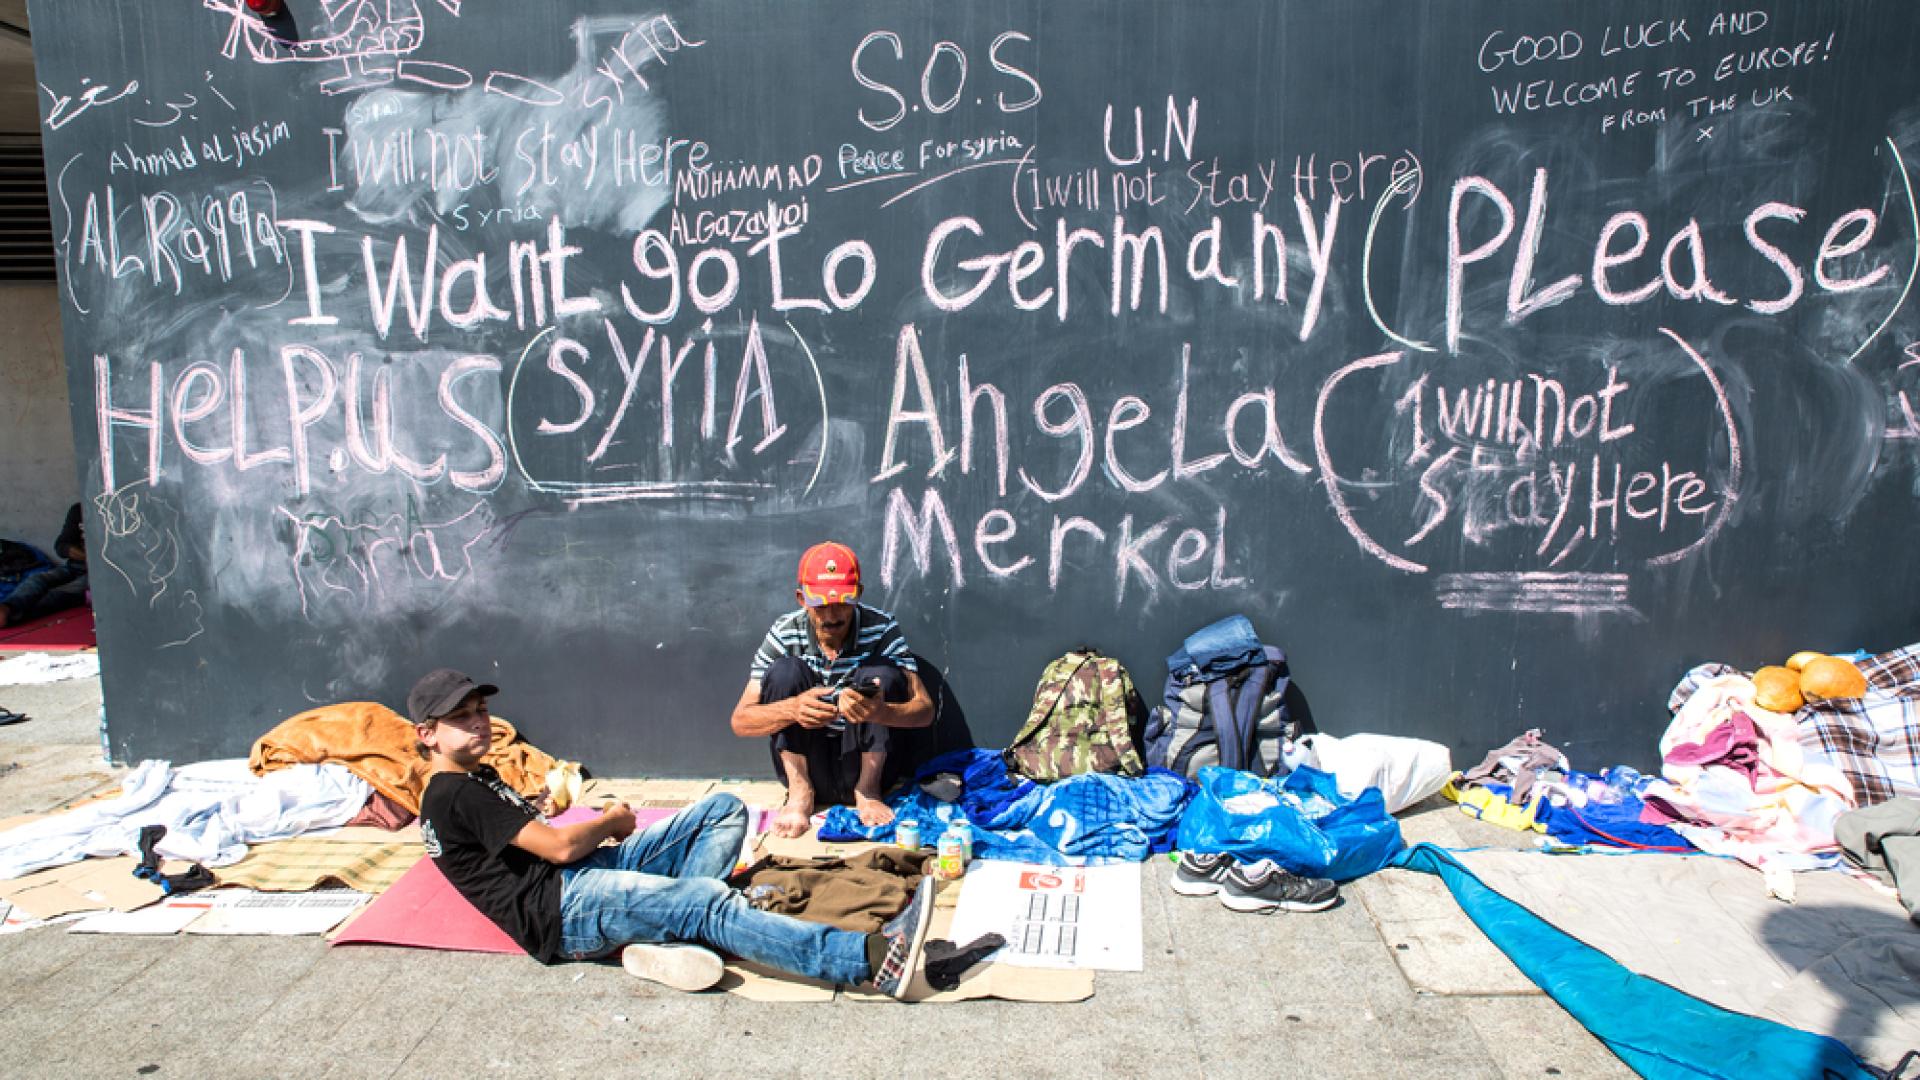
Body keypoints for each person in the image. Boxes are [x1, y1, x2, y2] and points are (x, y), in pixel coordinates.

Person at [410, 668, 935, 995]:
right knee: (707, 901)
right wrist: (610, 821)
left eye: (480, 710)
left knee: (724, 808)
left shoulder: (468, 779)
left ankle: (667, 932)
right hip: (563, 910)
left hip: (581, 878)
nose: (479, 722)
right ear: (427, 734)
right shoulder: (453, 791)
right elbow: (562, 846)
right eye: (461, 718)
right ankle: (866, 960)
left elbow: (519, 841)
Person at [730, 542, 934, 839]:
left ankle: (868, 790)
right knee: (785, 672)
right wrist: (792, 708)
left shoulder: (881, 628)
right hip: (810, 763)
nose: (831, 615)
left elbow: (925, 710)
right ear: (802, 599)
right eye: (821, 604)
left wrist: (882, 711)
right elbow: (741, 720)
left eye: (841, 603)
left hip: (868, 762)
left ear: (858, 595)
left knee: (882, 674)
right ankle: (800, 795)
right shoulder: (785, 632)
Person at [0, 504, 87, 628]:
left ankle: (13, 618)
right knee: (37, 580)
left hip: (101, 575)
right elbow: (62, 546)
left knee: (59, 593)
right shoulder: (79, 509)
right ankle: (8, 608)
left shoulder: (119, 514)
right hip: (74, 567)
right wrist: (86, 556)